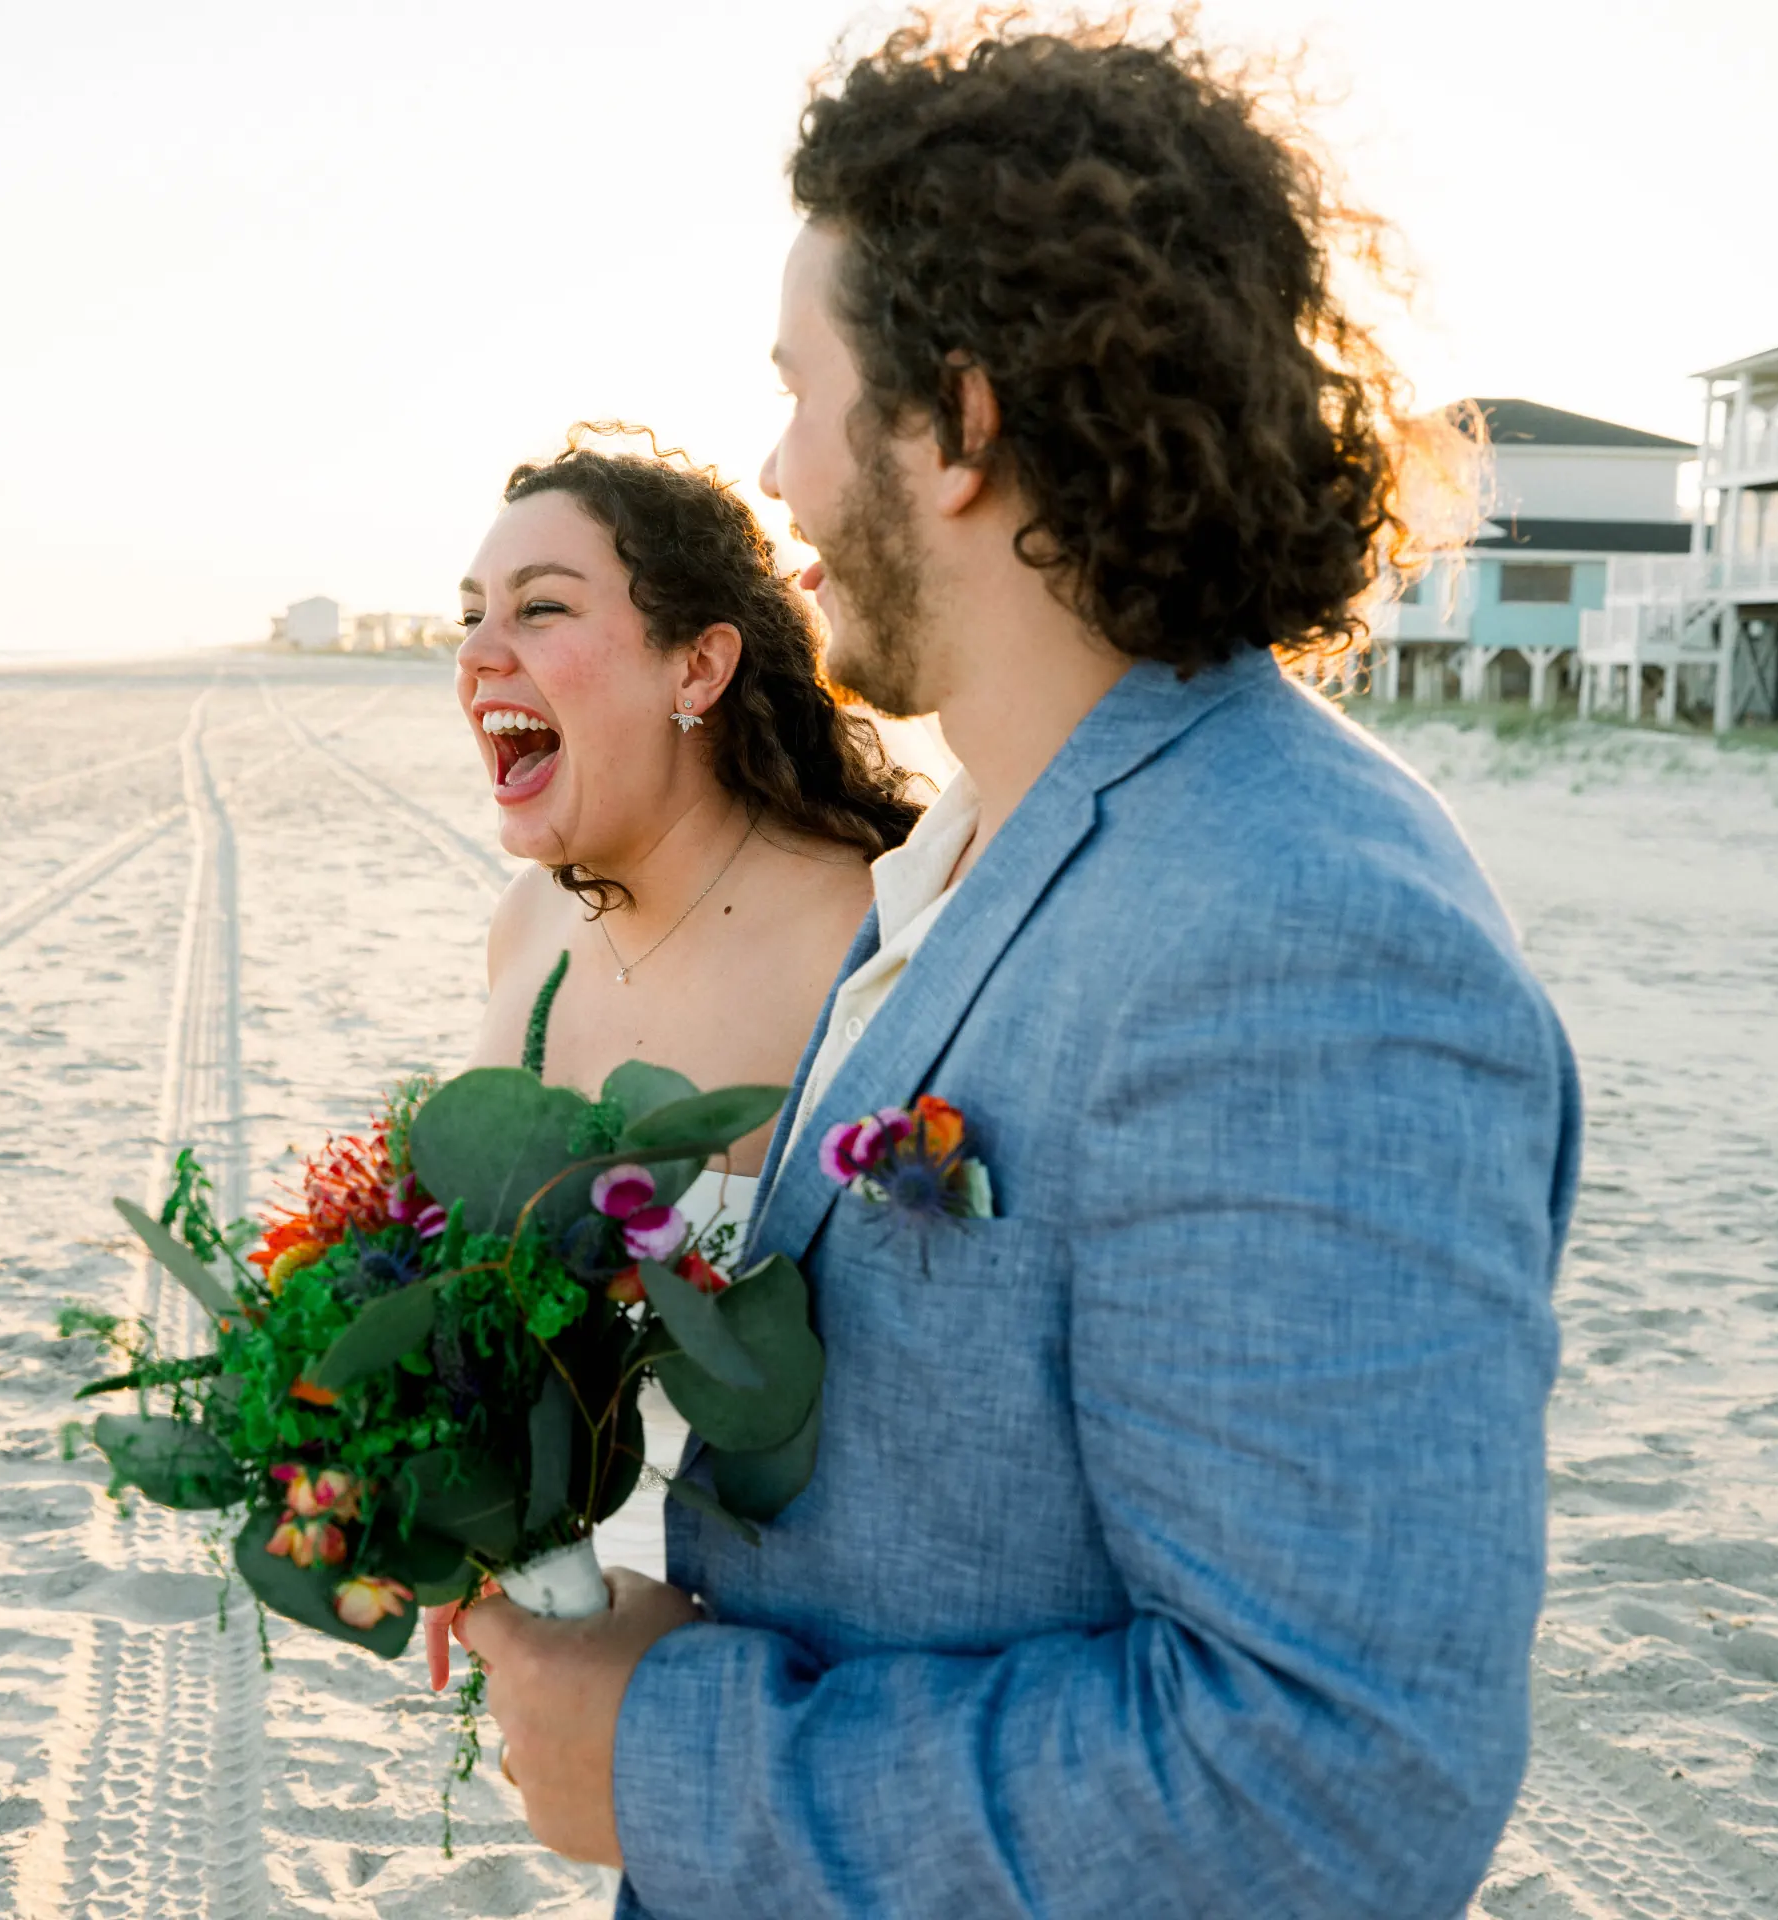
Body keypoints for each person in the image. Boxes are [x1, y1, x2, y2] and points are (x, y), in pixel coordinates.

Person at [456, 22, 1580, 1920]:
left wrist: (675, 1759)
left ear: (956, 424)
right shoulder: (975, 847)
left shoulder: (1297, 929)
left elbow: (1330, 1789)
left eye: (803, 392)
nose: (776, 469)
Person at [416, 434, 921, 1687]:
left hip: (804, 1649)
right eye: (473, 615)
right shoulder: (527, 926)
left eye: (541, 608)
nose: (481, 654)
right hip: (563, 1635)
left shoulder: (878, 939)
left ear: (697, 664)